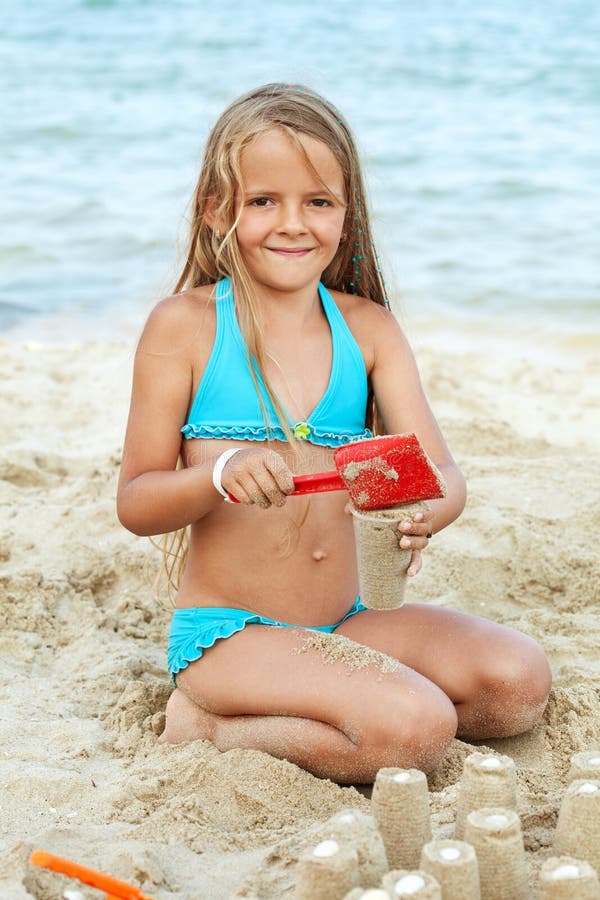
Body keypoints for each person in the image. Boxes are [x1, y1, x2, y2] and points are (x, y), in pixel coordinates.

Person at [117, 83, 551, 784]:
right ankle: (207, 725)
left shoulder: (369, 329)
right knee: (416, 728)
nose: (293, 223)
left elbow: (441, 477)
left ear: (347, 216)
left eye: (317, 201)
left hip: (348, 620)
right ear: (218, 210)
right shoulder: (185, 325)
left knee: (517, 682)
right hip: (234, 636)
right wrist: (218, 471)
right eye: (263, 201)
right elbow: (136, 500)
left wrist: (423, 514)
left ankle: (330, 700)